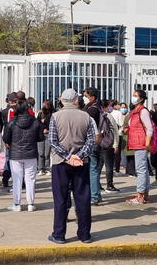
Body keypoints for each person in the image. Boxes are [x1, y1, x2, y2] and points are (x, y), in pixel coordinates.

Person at [48, 89, 96, 244]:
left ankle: (59, 234)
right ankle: (84, 234)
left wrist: (68, 157)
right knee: (82, 198)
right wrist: (79, 155)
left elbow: (53, 141)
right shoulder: (86, 116)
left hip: (60, 162)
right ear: (76, 100)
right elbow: (91, 141)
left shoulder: (55, 116)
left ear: (61, 100)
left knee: (60, 199)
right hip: (81, 163)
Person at [3, 100, 42, 211]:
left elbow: (6, 138)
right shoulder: (35, 122)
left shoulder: (12, 122)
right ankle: (30, 204)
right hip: (31, 153)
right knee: (30, 179)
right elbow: (40, 137)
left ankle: (17, 204)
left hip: (15, 154)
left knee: (17, 180)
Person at [125, 90, 153, 205]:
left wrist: (147, 143)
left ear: (141, 99)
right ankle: (144, 194)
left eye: (136, 96)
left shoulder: (142, 111)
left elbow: (149, 128)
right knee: (143, 169)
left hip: (140, 143)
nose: (133, 97)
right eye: (133, 95)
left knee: (140, 170)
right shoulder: (135, 111)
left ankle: (140, 195)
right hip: (137, 142)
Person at [83, 87, 104, 206]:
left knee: (92, 169)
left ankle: (94, 196)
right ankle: (97, 195)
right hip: (96, 141)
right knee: (94, 169)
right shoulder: (97, 108)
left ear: (92, 97)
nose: (84, 98)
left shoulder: (92, 110)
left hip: (92, 141)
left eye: (86, 96)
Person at [37, 100, 55, 175]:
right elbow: (37, 123)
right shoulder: (41, 113)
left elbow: (53, 124)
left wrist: (47, 128)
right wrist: (43, 128)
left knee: (47, 153)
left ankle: (47, 168)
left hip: (49, 134)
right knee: (41, 152)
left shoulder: (53, 114)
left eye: (46, 104)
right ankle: (41, 168)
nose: (44, 106)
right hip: (41, 134)